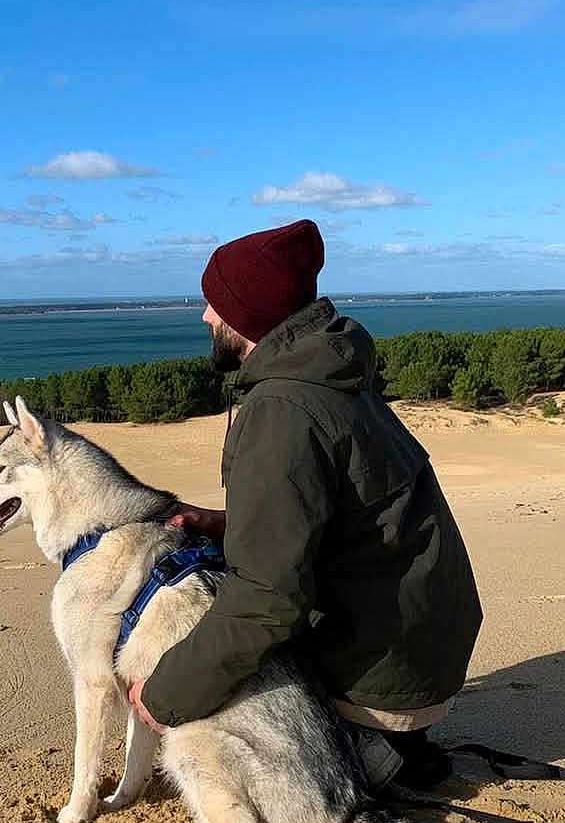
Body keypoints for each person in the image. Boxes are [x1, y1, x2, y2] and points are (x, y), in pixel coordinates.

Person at [127, 218, 483, 789]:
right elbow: (353, 513)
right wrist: (226, 524)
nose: (206, 317)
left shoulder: (283, 410)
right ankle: (384, 741)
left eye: (215, 304)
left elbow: (268, 598)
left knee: (213, 670)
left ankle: (369, 754)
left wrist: (164, 694)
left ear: (250, 314)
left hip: (382, 675)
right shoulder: (336, 376)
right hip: (423, 649)